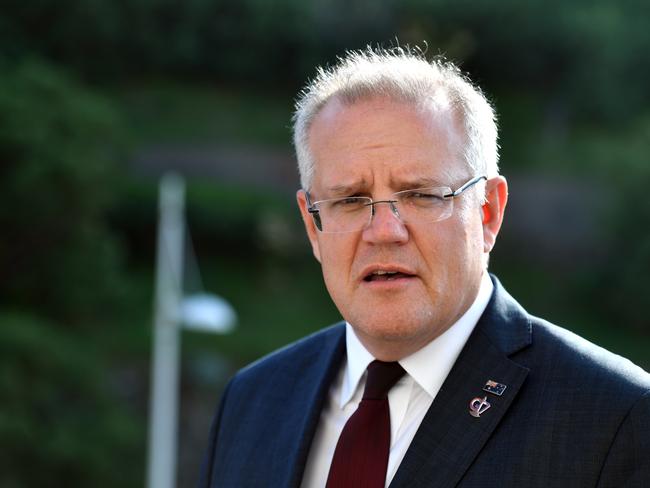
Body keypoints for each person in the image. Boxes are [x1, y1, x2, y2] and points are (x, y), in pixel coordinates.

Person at [198, 47, 650, 487]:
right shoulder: (252, 402)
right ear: (313, 226)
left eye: (421, 194)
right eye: (350, 201)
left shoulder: (614, 417)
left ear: (488, 210)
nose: (384, 231)